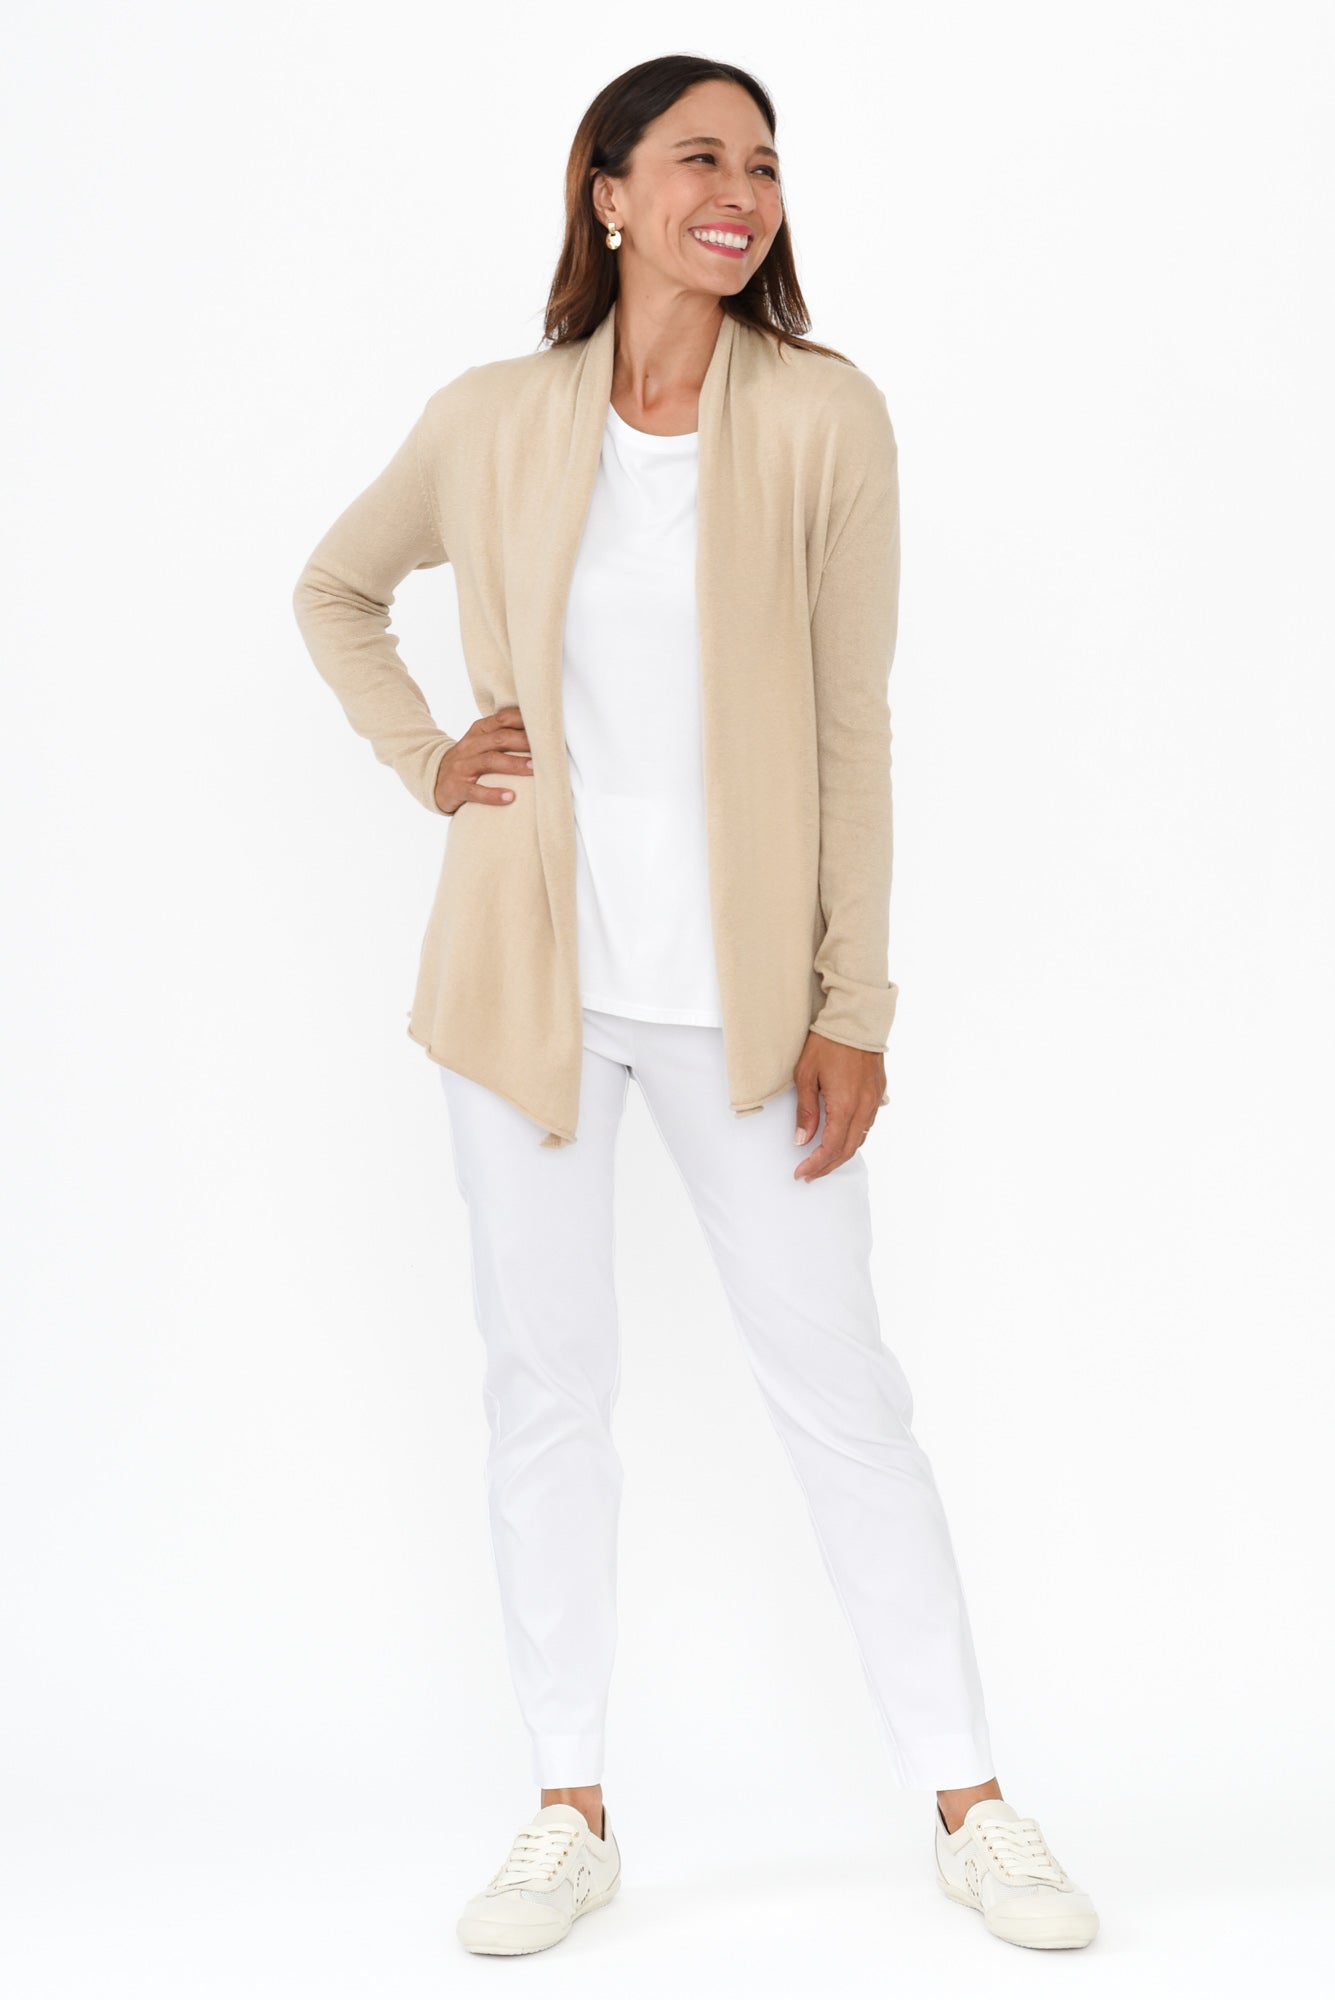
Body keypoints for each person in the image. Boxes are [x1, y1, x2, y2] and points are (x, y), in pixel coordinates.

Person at [292, 52, 1100, 1959]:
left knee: (843, 1392)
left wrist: (854, 1001)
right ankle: (567, 1810)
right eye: (699, 159)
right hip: (528, 993)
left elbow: (851, 727)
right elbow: (337, 589)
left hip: (747, 1010)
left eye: (765, 164)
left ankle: (971, 1803)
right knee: (546, 1391)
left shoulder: (824, 417)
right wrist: (429, 758)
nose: (740, 191)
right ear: (609, 192)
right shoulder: (492, 417)